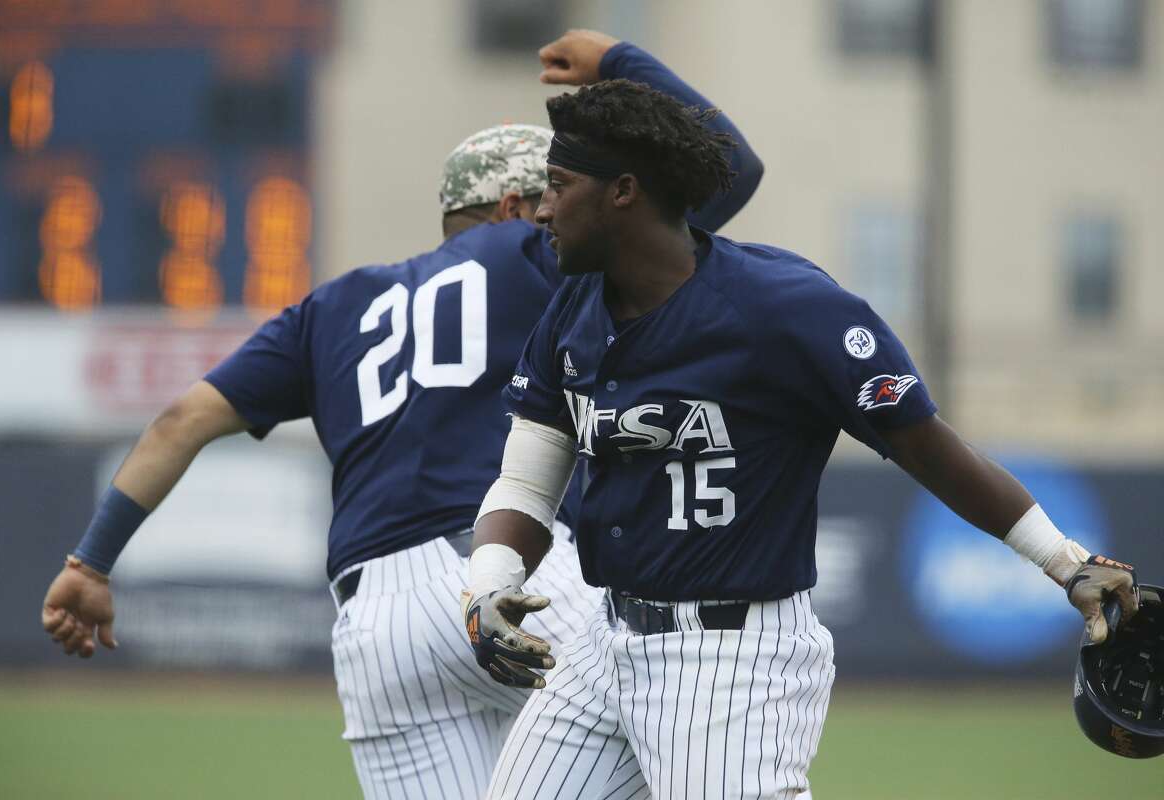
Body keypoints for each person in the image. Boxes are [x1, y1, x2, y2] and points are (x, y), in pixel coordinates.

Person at [39, 30, 763, 800]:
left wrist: (90, 563)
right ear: (516, 207)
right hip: (516, 577)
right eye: (551, 192)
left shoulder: (332, 307)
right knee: (693, 754)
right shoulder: (534, 253)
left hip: (377, 625)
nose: (562, 205)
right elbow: (728, 172)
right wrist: (622, 64)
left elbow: (181, 420)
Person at [461, 79, 1141, 799]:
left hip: (729, 659)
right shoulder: (573, 306)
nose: (541, 209)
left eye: (559, 186)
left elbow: (928, 449)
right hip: (603, 641)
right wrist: (490, 584)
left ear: (623, 191)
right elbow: (530, 482)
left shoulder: (784, 308)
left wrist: (1066, 563)